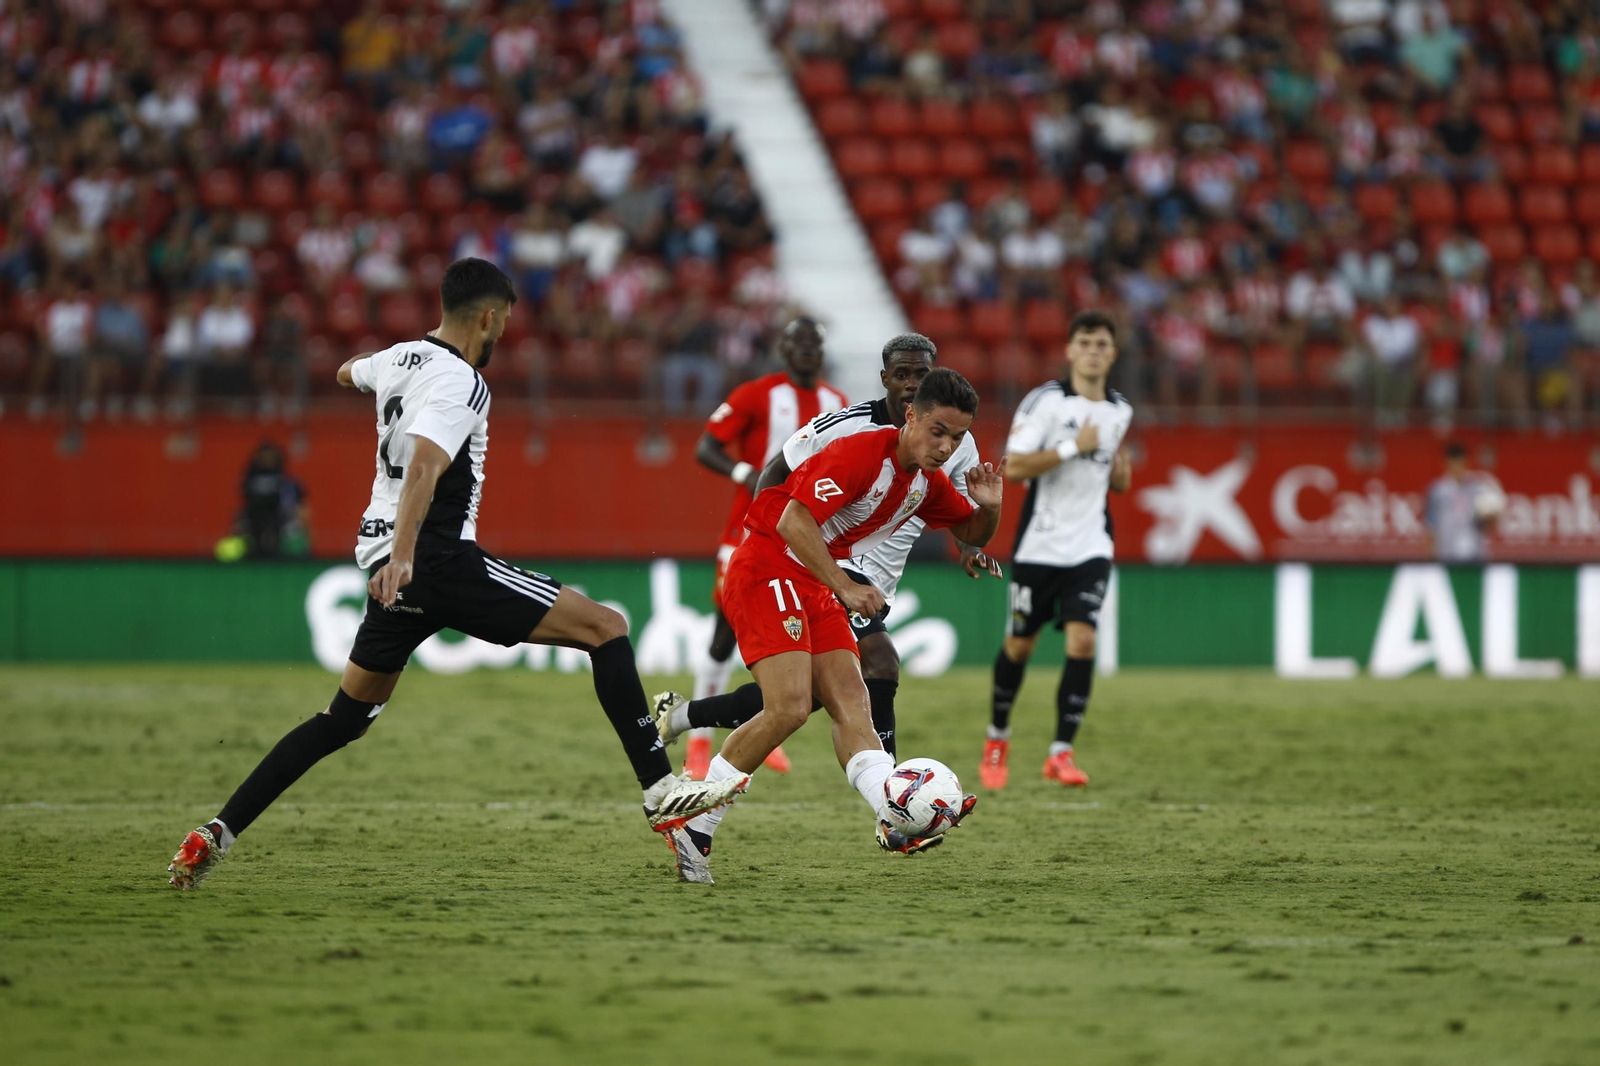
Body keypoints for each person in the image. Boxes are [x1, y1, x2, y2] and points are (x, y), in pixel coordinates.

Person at [167, 259, 745, 890]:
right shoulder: (462, 381)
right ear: (489, 318)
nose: (501, 337)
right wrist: (408, 555)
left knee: (342, 720)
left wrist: (373, 373)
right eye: (504, 325)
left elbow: (345, 371)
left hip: (386, 568)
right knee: (606, 627)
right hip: (434, 560)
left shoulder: (397, 358)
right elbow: (422, 466)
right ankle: (661, 789)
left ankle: (214, 835)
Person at [662, 368, 1004, 884]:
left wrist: (991, 506)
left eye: (956, 437)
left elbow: (973, 531)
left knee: (854, 708)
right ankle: (695, 822)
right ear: (910, 415)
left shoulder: (923, 483)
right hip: (768, 565)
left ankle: (894, 813)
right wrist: (845, 588)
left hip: (816, 582)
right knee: (790, 707)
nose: (946, 446)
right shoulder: (860, 453)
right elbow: (791, 521)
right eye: (938, 431)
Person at [685, 318, 846, 779]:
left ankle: (765, 725)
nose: (807, 351)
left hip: (802, 542)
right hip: (747, 535)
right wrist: (744, 476)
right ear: (784, 348)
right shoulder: (757, 393)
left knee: (788, 639)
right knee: (725, 631)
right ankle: (699, 743)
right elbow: (706, 447)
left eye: (815, 343)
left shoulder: (837, 403)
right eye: (799, 343)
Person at [981, 310, 1134, 791]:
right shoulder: (1046, 402)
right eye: (1084, 342)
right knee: (1019, 645)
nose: (1092, 351)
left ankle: (1060, 752)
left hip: (1091, 544)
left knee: (1083, 640)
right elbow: (1018, 467)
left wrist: (1118, 462)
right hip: (1040, 544)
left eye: (1101, 343)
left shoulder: (1120, 410)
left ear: (1113, 353)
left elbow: (1119, 478)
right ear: (1069, 350)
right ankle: (997, 737)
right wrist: (1074, 447)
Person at [1425, 442, 1502, 563]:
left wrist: (1490, 518)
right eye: (1453, 464)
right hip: (1447, 555)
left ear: (1466, 463)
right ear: (1446, 464)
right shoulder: (1437, 491)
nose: (1457, 469)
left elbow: (1487, 525)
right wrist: (1431, 559)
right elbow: (1431, 528)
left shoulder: (1477, 490)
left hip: (1475, 555)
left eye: (1460, 464)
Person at [237, 441, 307, 559]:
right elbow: (243, 508)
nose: (267, 461)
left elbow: (301, 509)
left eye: (271, 457)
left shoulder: (288, 483)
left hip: (282, 526)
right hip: (253, 526)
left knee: (295, 541)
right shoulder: (249, 481)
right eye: (264, 457)